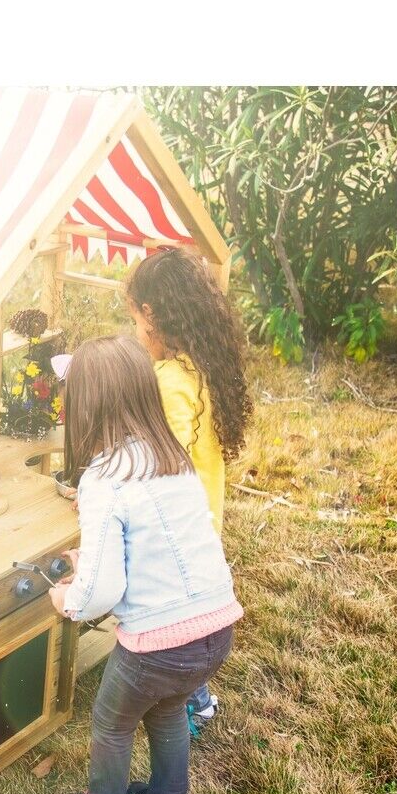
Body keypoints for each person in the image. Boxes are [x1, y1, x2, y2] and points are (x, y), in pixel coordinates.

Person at [49, 336, 243, 794]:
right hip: (216, 628)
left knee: (112, 723)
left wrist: (68, 598)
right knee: (168, 711)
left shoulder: (104, 477)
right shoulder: (172, 456)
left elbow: (101, 591)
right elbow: (161, 547)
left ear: (85, 408)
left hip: (157, 645)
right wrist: (88, 561)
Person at [124, 247, 252, 727]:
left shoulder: (169, 381)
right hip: (204, 520)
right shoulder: (202, 367)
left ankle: (190, 703)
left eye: (136, 320)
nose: (136, 331)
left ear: (153, 317)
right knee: (186, 612)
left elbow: (163, 458)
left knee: (174, 620)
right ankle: (191, 693)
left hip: (176, 527)